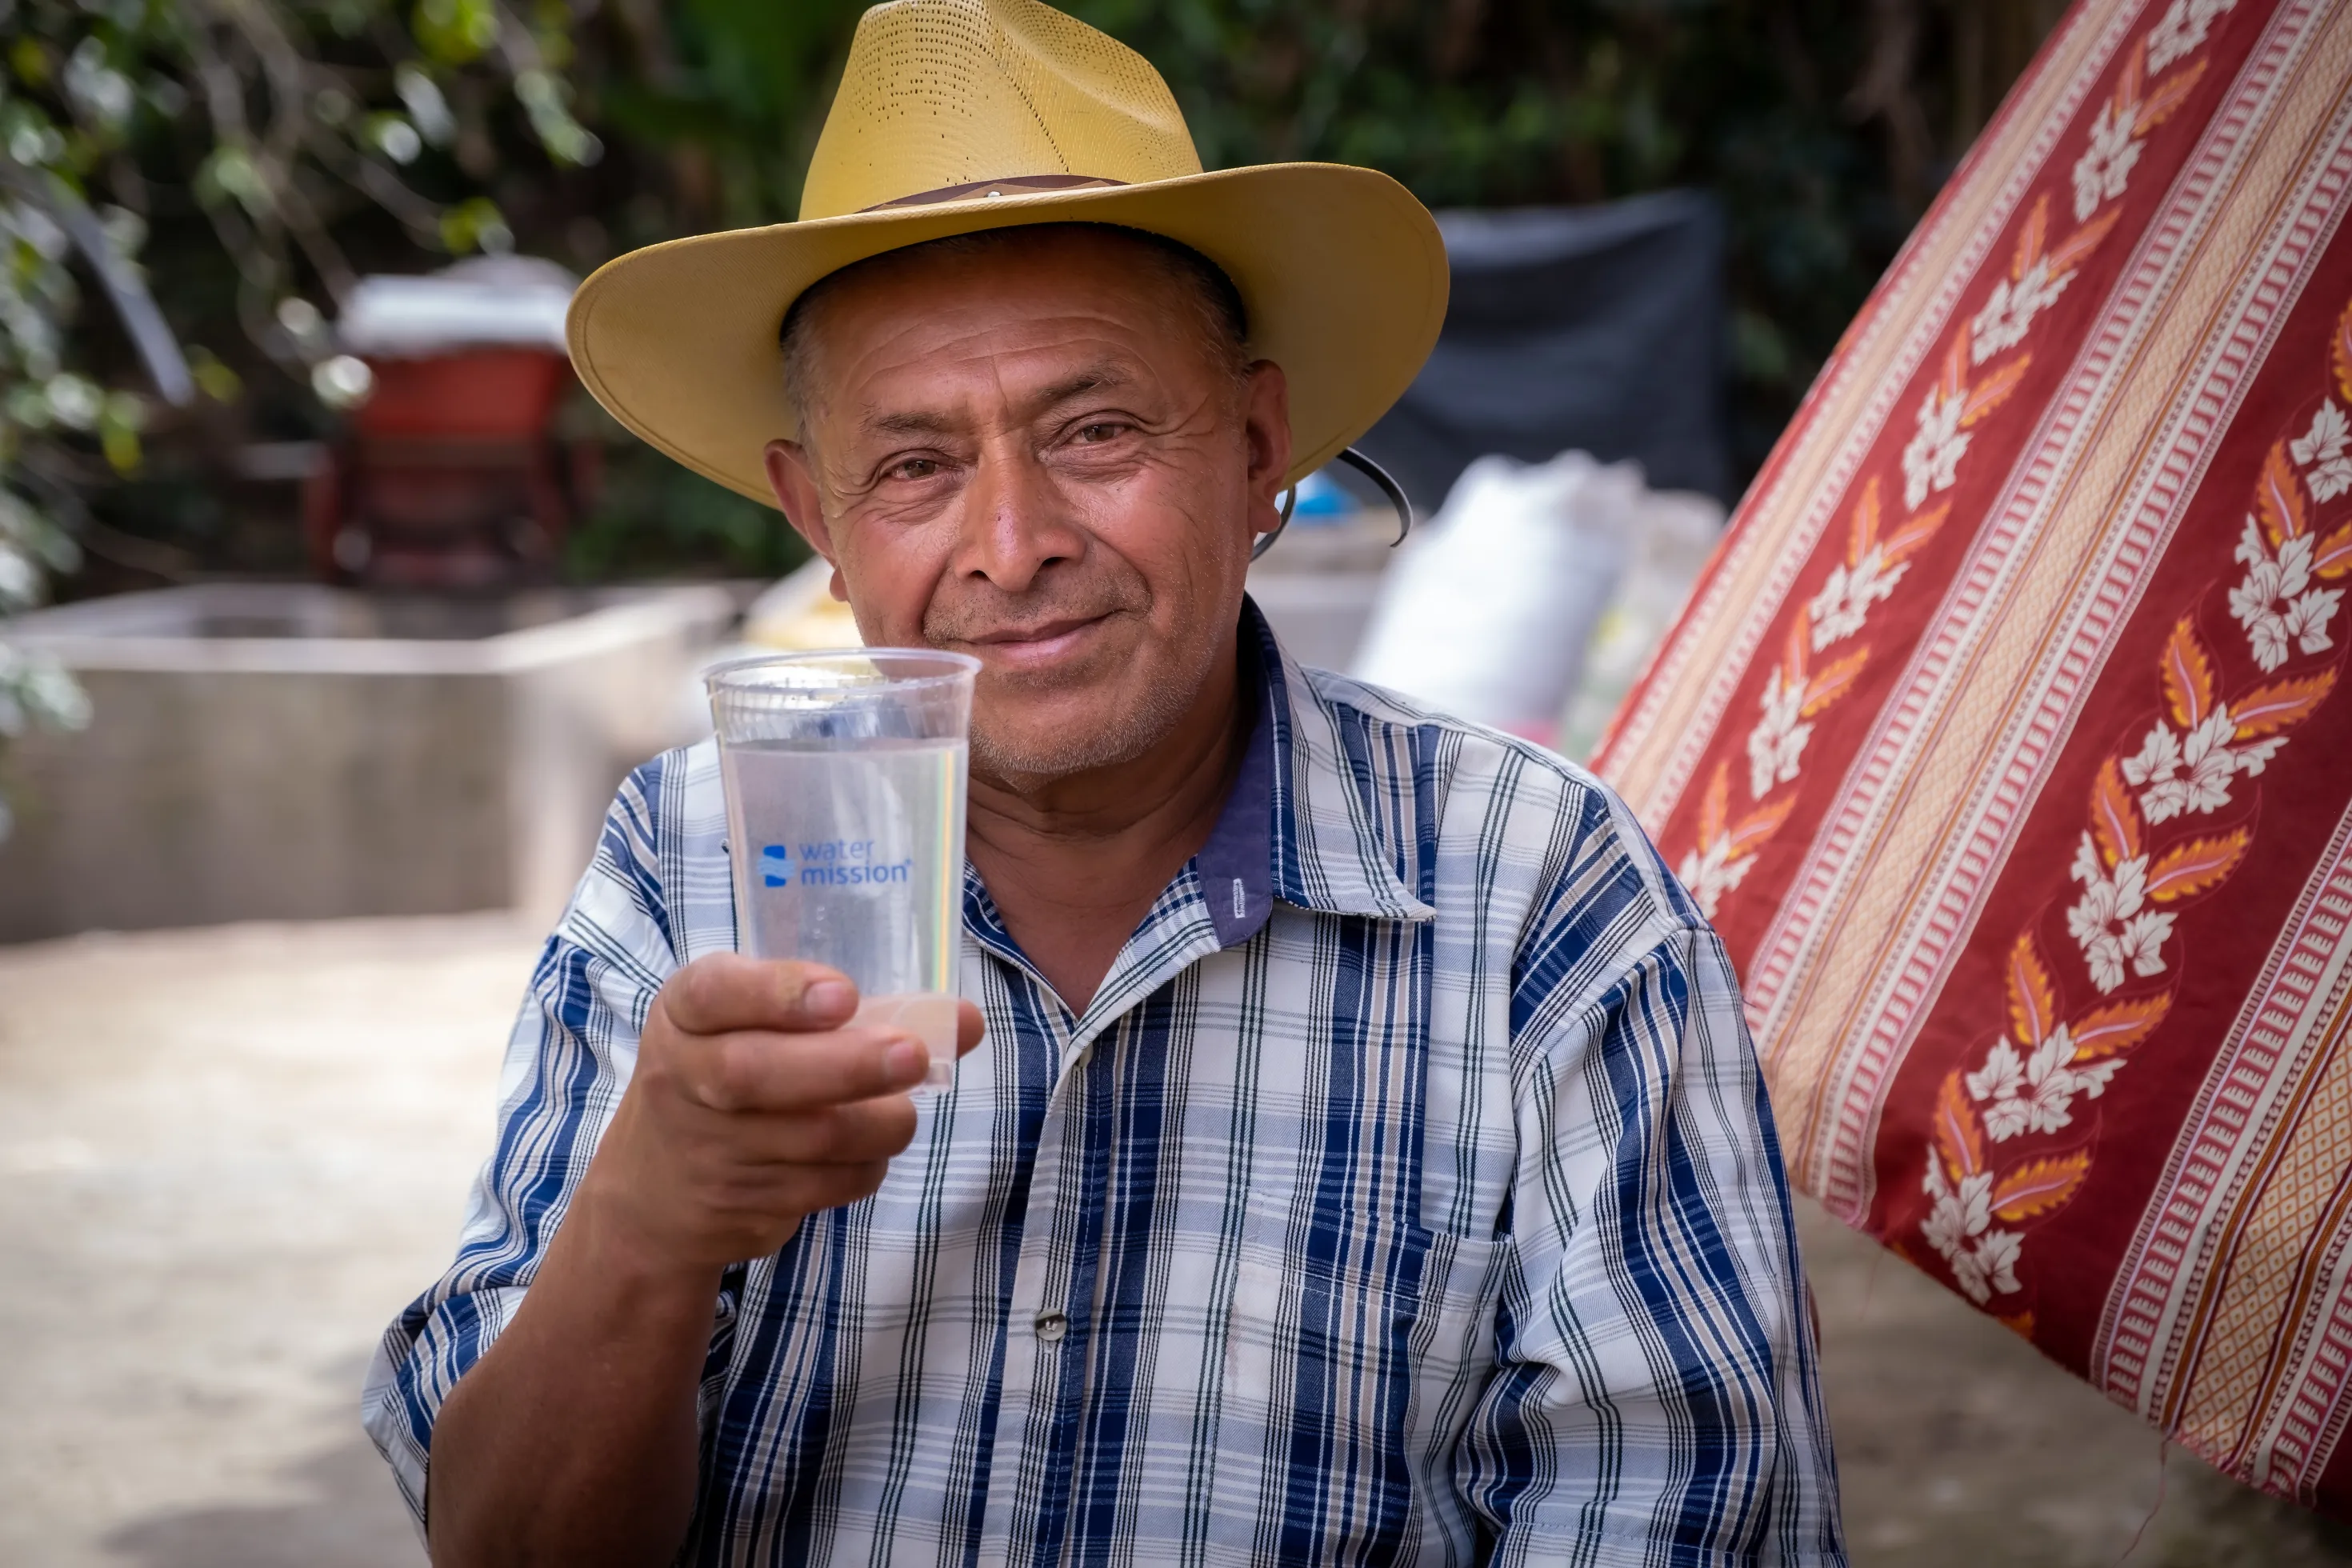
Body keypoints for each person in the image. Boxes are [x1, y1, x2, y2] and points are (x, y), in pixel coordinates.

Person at [365, 1, 1846, 1562]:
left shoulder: (1540, 895)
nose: (1014, 544)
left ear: (1260, 445)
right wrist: (646, 1231)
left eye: (1097, 427)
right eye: (919, 465)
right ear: (817, 512)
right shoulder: (692, 860)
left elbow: (1685, 1512)